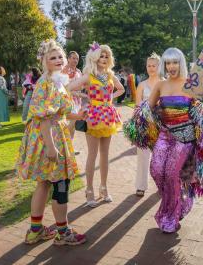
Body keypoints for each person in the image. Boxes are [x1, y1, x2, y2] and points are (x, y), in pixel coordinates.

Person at [124, 47, 203, 233]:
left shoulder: (191, 84)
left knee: (171, 174)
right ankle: (180, 202)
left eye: (175, 62)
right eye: (168, 63)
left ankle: (170, 215)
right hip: (164, 136)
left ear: (181, 63)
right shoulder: (160, 85)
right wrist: (140, 119)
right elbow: (148, 109)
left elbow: (202, 111)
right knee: (156, 170)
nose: (171, 66)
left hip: (184, 139)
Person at [16, 40, 87, 246]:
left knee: (44, 183)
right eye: (52, 57)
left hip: (51, 134)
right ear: (44, 62)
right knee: (60, 183)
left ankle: (35, 231)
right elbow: (45, 118)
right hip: (49, 137)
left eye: (59, 57)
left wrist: (77, 115)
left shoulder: (56, 80)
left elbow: (59, 112)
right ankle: (63, 233)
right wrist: (51, 147)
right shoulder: (47, 82)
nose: (57, 60)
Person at [66, 43, 125, 207]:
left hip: (107, 116)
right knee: (92, 154)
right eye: (101, 56)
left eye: (107, 56)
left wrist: (110, 99)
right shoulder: (88, 76)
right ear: (95, 58)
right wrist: (82, 95)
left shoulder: (111, 76)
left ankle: (104, 188)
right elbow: (68, 87)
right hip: (93, 116)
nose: (104, 59)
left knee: (105, 154)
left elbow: (121, 89)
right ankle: (89, 189)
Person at [134, 53, 162, 197]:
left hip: (162, 125)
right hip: (145, 124)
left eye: (154, 66)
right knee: (143, 156)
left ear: (159, 66)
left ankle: (162, 184)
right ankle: (140, 186)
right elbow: (137, 105)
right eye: (149, 66)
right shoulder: (142, 85)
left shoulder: (165, 83)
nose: (151, 68)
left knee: (161, 157)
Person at [62, 51, 83, 155]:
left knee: (73, 126)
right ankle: (65, 146)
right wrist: (75, 89)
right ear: (68, 58)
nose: (75, 60)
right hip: (68, 99)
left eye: (77, 59)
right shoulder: (64, 70)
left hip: (78, 100)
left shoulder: (79, 70)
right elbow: (63, 87)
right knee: (70, 123)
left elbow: (82, 84)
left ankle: (70, 147)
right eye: (73, 58)